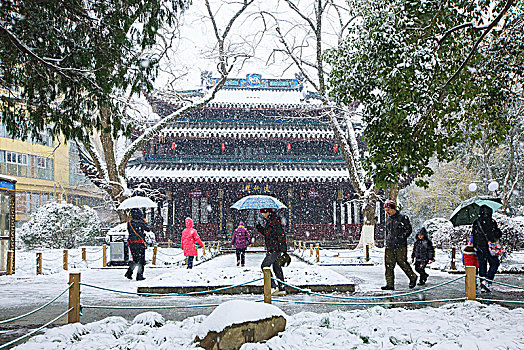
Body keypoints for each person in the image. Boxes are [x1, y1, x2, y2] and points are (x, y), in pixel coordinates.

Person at [382, 200, 418, 290]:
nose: (387, 212)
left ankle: (412, 277)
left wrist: (401, 237)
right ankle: (389, 284)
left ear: (393, 209)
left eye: (388, 210)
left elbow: (408, 230)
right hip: (389, 245)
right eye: (386, 210)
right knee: (388, 264)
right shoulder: (388, 219)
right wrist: (386, 240)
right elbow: (387, 232)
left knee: (402, 262)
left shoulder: (402, 218)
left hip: (400, 245)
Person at [471, 205, 502, 292]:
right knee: (495, 263)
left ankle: (482, 283)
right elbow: (496, 235)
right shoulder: (492, 222)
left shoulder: (476, 222)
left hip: (480, 248)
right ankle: (488, 280)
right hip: (490, 247)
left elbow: (473, 235)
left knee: (482, 265)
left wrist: (475, 246)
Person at [256, 208, 287, 296]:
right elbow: (268, 234)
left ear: (267, 212)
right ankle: (281, 288)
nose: (262, 215)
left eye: (263, 213)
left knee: (265, 266)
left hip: (274, 248)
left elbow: (279, 234)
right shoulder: (271, 220)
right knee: (276, 267)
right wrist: (260, 228)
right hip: (274, 247)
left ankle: (273, 286)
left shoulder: (274, 221)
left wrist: (282, 248)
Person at [125, 208, 150, 281]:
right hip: (140, 242)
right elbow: (148, 229)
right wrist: (145, 222)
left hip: (132, 242)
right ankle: (139, 275)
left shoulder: (129, 223)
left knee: (135, 259)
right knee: (141, 260)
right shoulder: (141, 222)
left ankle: (129, 272)